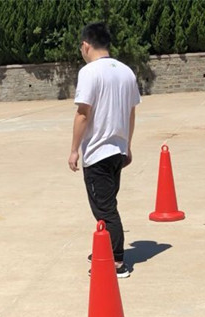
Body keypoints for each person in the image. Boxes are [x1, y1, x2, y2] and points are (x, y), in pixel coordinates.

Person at [68, 22, 141, 279]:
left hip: (98, 152)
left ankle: (117, 261)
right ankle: (107, 251)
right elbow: (131, 113)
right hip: (118, 150)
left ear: (86, 45)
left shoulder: (90, 72)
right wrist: (127, 146)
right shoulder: (126, 72)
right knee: (108, 204)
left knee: (105, 209)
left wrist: (74, 149)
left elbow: (83, 113)